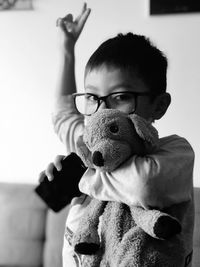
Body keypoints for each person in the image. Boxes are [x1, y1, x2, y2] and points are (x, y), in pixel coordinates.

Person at [44, 3, 195, 266]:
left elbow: (143, 185)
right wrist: (66, 51)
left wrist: (83, 175)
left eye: (121, 97)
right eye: (92, 97)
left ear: (158, 105)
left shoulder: (175, 153)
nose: (102, 110)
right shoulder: (88, 141)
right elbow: (63, 116)